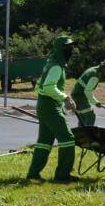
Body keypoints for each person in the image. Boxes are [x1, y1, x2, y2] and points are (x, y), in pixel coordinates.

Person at [26, 35, 79, 182]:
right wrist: (66, 98)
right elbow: (49, 87)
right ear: (61, 49)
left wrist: (59, 97)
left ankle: (33, 174)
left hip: (44, 104)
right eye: (68, 47)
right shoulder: (56, 66)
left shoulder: (50, 63)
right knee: (67, 138)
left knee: (44, 141)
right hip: (50, 106)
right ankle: (63, 175)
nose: (71, 50)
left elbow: (38, 86)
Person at [70, 59, 105, 126]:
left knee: (82, 119)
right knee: (90, 117)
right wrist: (95, 102)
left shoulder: (93, 69)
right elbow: (87, 91)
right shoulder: (95, 75)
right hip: (80, 96)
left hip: (76, 94)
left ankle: (81, 134)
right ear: (104, 67)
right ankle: (89, 134)